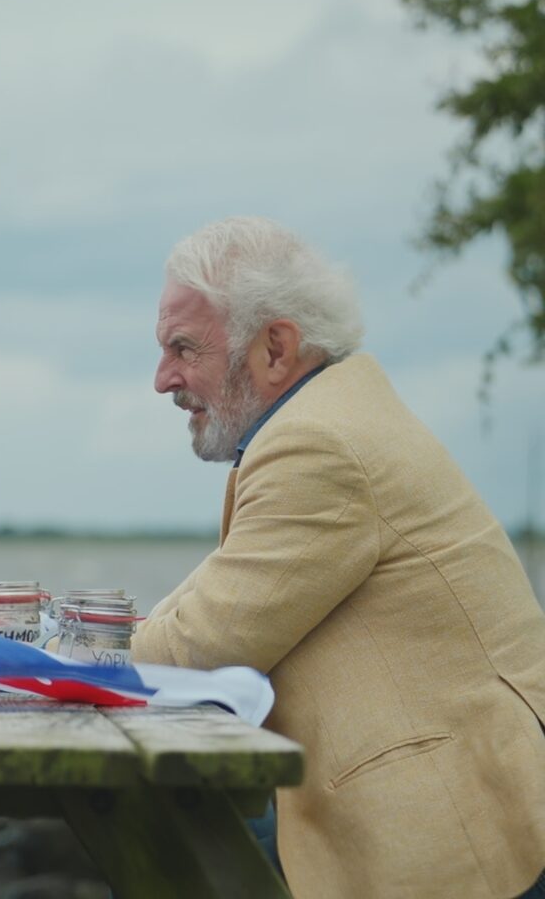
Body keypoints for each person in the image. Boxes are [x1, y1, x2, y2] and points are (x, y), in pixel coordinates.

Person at [131, 216, 545, 899]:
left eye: (183, 348)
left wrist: (60, 660)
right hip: (462, 796)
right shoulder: (331, 415)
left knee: (163, 853)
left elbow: (200, 647)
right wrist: (85, 639)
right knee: (177, 846)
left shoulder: (318, 444)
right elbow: (204, 606)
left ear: (275, 348)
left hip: (467, 831)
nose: (161, 379)